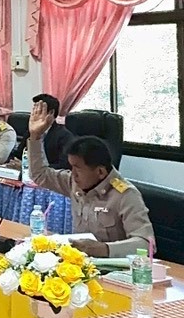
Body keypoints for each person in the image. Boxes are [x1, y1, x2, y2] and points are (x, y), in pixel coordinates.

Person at [26, 108, 154, 257]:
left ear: (100, 172)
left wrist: (104, 249)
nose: (73, 174)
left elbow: (145, 244)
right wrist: (35, 137)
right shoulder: (73, 182)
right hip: (80, 263)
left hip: (113, 266)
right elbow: (40, 174)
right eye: (71, 167)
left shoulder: (126, 195)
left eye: (78, 168)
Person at [27, 93, 75, 169]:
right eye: (34, 110)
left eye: (39, 111)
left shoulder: (65, 136)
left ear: (51, 112)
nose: (34, 114)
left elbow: (65, 165)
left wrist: (28, 166)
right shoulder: (31, 131)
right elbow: (19, 154)